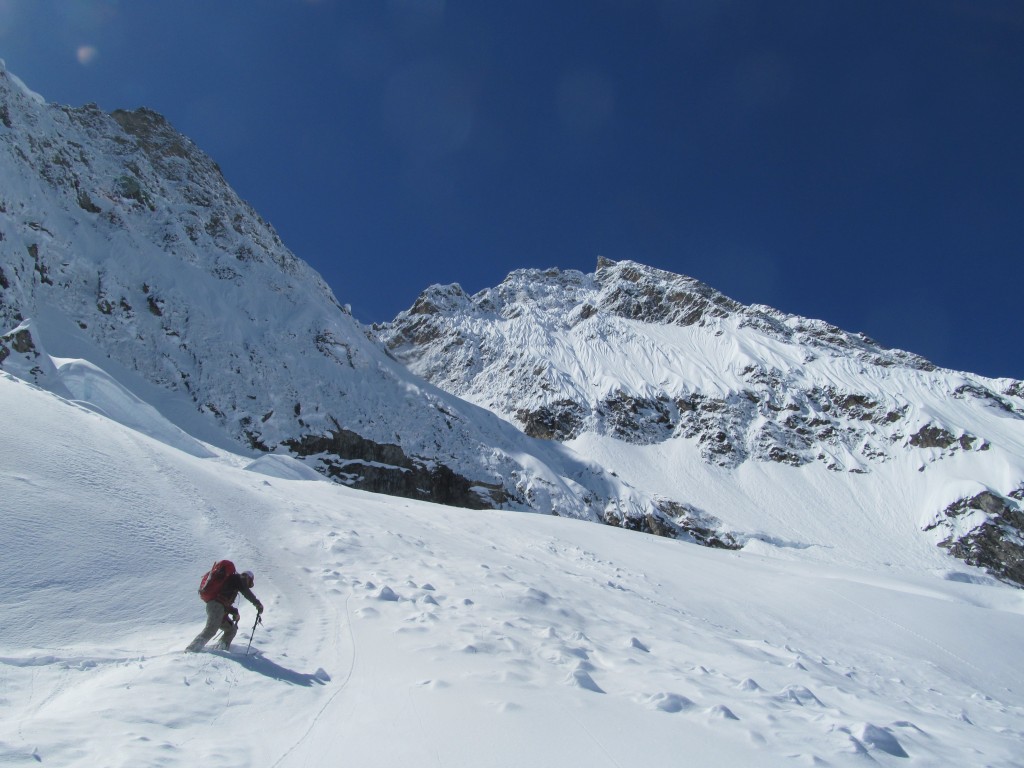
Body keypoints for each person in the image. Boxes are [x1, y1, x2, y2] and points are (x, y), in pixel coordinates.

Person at [186, 569, 264, 652]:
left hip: (217, 607)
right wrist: (257, 604)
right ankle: (191, 650)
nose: (247, 585)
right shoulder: (239, 578)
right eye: (249, 582)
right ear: (249, 578)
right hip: (217, 606)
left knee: (231, 629)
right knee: (211, 629)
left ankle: (221, 648)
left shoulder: (233, 582)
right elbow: (245, 592)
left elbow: (224, 601)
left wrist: (234, 612)